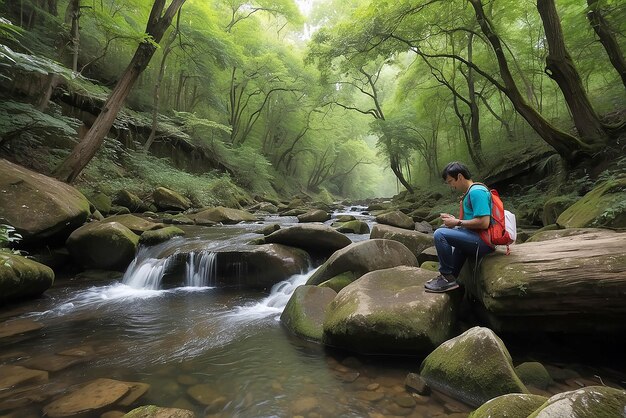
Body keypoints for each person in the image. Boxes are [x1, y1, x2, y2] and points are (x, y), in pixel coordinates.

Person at [425, 161, 495, 293]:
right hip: (477, 237)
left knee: (440, 234)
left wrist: (457, 222)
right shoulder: (471, 192)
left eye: (451, 181)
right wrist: (454, 220)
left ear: (460, 177)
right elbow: (471, 220)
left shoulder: (477, 192)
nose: (451, 186)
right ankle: (450, 278)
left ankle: (446, 276)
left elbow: (484, 222)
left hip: (484, 242)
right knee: (452, 232)